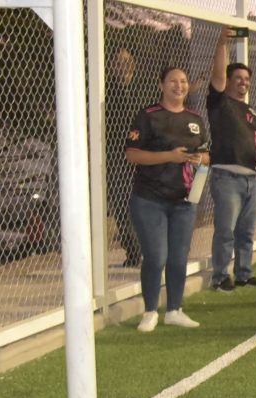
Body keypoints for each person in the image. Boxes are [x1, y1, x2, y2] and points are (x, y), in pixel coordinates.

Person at [123, 66, 209, 332]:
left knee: (178, 257)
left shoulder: (195, 119)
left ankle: (174, 309)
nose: (179, 86)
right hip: (150, 199)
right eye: (172, 81)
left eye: (183, 81)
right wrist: (168, 157)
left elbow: (207, 155)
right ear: (161, 85)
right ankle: (150, 311)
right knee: (156, 256)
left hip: (184, 201)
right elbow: (132, 154)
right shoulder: (148, 116)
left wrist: (199, 159)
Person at [207, 30, 256, 293]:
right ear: (227, 80)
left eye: (246, 79)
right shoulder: (220, 103)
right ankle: (221, 276)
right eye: (237, 78)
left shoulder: (251, 112)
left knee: (246, 232)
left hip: (251, 180)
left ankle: (244, 273)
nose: (243, 83)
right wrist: (222, 41)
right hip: (227, 178)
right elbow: (216, 75)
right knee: (225, 230)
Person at [106, 46, 144, 267]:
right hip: (116, 153)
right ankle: (133, 251)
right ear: (112, 66)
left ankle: (147, 245)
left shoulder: (142, 90)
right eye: (119, 62)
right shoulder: (106, 90)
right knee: (121, 202)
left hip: (142, 153)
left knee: (144, 201)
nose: (124, 66)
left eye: (127, 61)